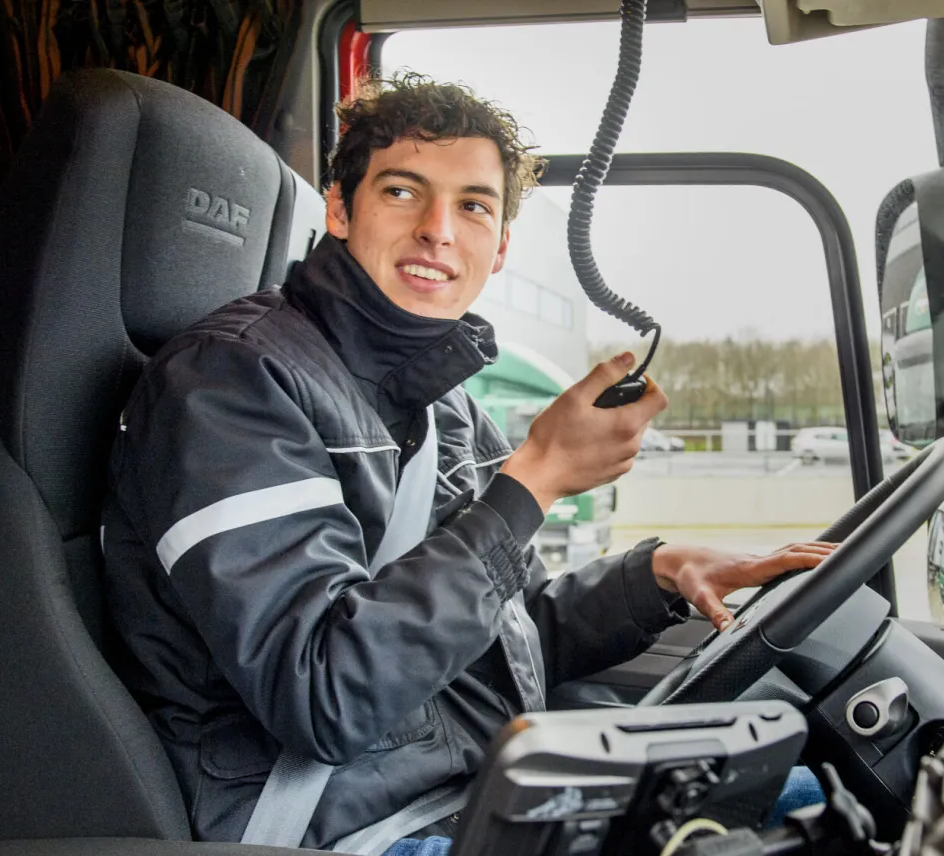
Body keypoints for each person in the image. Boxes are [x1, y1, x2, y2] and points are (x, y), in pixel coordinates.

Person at [101, 71, 833, 853]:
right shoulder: (229, 383)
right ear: (341, 209)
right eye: (403, 192)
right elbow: (322, 695)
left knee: (811, 786)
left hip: (472, 783)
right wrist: (535, 480)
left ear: (502, 244)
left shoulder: (443, 404)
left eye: (474, 206)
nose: (439, 230)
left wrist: (657, 573)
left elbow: (511, 640)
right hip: (343, 826)